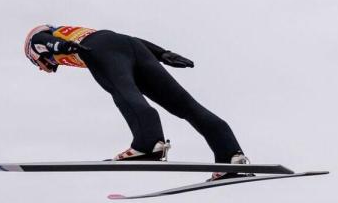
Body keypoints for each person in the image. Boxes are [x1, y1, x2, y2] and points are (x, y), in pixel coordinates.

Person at [23, 24, 250, 180]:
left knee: (124, 93)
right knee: (185, 105)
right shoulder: (74, 30)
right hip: (133, 47)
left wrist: (65, 47)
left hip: (100, 51)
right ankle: (230, 155)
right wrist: (162, 53)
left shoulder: (36, 40)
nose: (44, 70)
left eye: (37, 65)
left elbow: (46, 42)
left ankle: (147, 145)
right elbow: (127, 40)